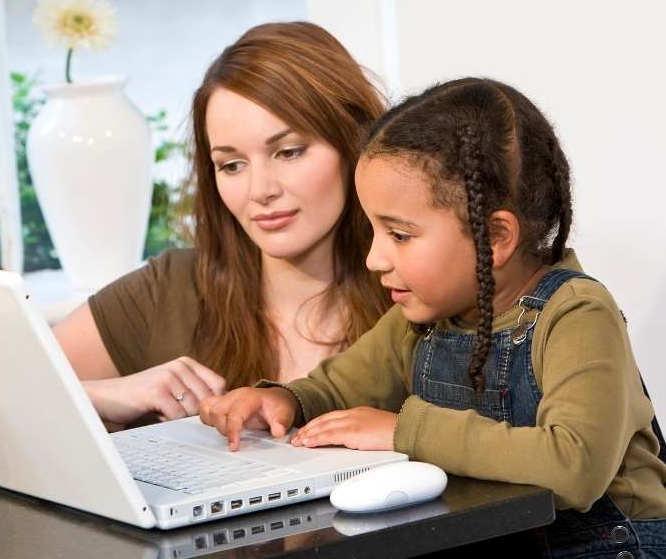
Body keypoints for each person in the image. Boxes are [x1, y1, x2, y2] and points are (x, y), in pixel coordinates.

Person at [200, 78, 666, 557]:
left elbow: (575, 467)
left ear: (494, 237)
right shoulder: (420, 319)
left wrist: (402, 430)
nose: (374, 259)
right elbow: (339, 388)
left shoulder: (577, 315)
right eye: (374, 231)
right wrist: (283, 401)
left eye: (399, 235)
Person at [0, 21, 393, 449]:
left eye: (288, 152)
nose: (260, 191)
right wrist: (95, 396)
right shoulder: (168, 291)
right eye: (232, 164)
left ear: (355, 142)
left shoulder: (417, 295)